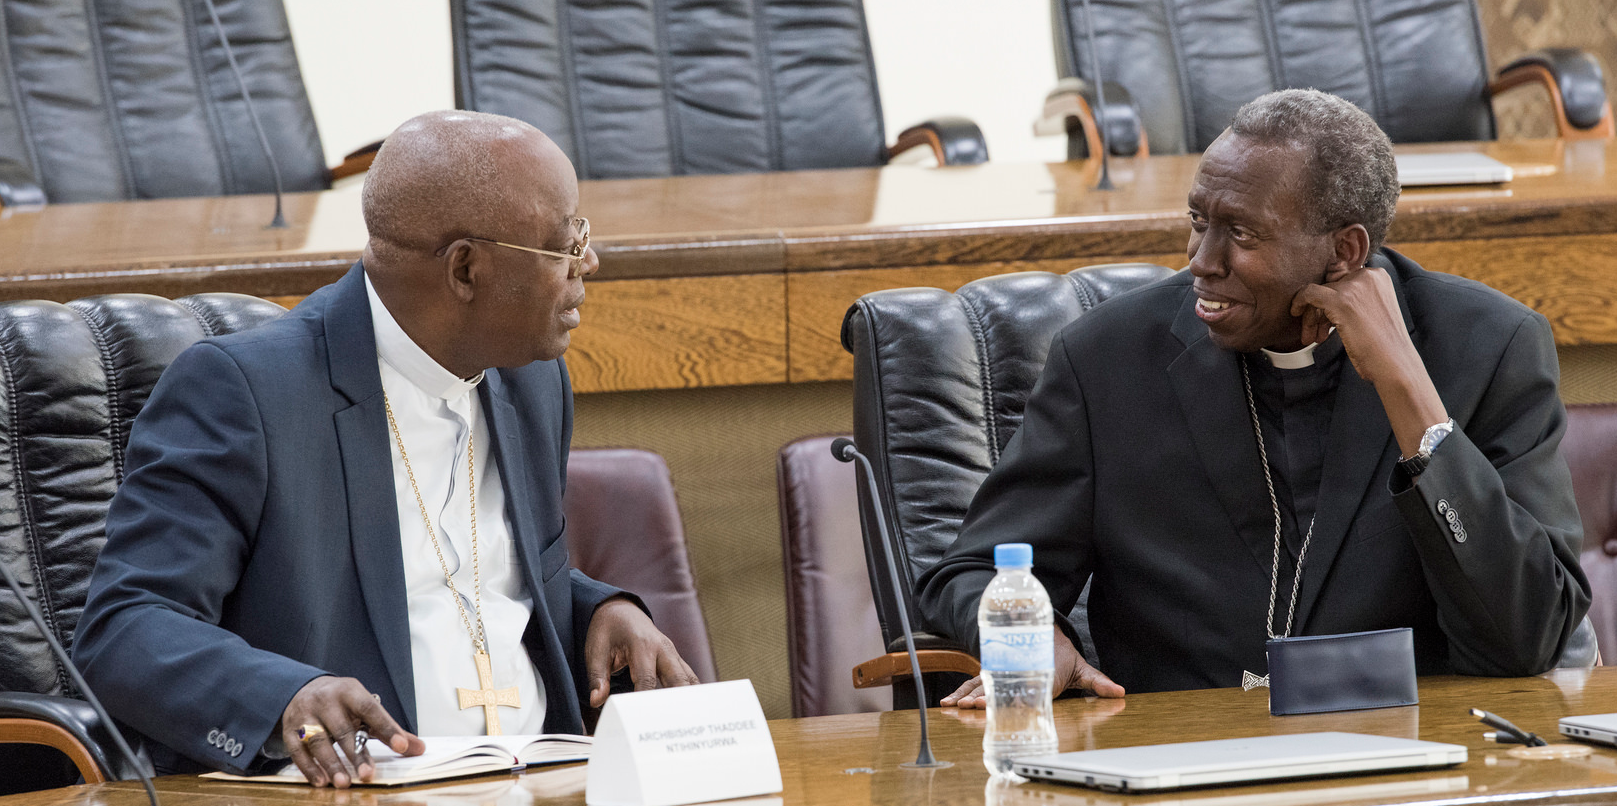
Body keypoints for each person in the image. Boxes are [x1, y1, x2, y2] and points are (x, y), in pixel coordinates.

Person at [72, 111, 699, 785]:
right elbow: (124, 629)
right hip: (363, 788)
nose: (589, 263)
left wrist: (599, 609)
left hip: (549, 776)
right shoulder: (249, 391)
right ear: (465, 269)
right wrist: (281, 695)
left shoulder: (531, 377)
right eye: (565, 244)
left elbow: (477, 577)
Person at [918, 89, 1590, 707]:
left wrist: (1408, 392)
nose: (1200, 260)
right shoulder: (1107, 360)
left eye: (1240, 234)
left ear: (1344, 251)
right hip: (1173, 759)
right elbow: (974, 570)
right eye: (1197, 221)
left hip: (1410, 756)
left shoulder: (1486, 348)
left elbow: (1526, 636)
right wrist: (1030, 635)